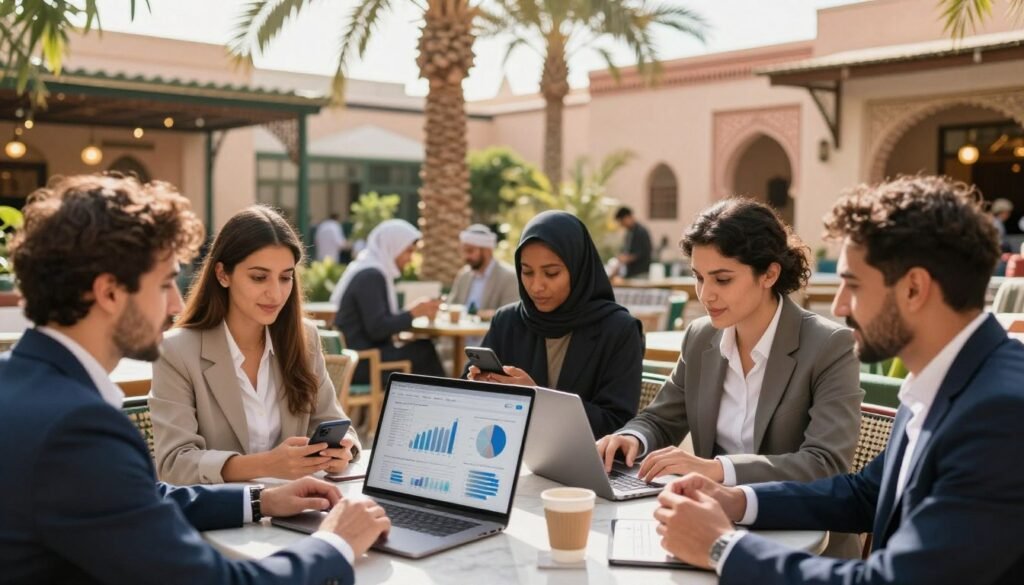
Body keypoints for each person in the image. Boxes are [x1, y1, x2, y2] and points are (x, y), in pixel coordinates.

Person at [0, 173, 390, 584]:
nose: (174, 302)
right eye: (166, 282)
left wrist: (262, 499)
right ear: (110, 292)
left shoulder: (19, 384)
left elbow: (146, 499)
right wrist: (336, 543)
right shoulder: (78, 427)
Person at [653, 175, 1024, 584]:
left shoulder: (1001, 412)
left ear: (914, 288)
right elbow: (865, 494)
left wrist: (722, 546)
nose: (840, 305)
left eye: (852, 284)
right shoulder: (946, 381)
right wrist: (736, 500)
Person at [150, 206, 361, 485]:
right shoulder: (176, 351)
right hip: (223, 517)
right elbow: (174, 464)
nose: (275, 293)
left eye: (285, 277)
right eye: (259, 277)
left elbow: (333, 422)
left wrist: (344, 449)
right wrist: (266, 465)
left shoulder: (304, 338)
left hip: (299, 507)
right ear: (223, 274)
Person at [467, 210, 643, 438]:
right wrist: (478, 387)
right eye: (526, 272)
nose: (536, 286)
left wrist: (538, 399)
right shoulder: (507, 321)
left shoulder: (618, 330)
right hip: (507, 456)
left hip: (583, 465)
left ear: (578, 268)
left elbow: (617, 424)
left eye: (551, 273)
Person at [332, 219, 444, 382]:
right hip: (364, 363)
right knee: (424, 351)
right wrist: (414, 313)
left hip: (363, 358)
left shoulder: (371, 271)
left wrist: (412, 312)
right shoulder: (371, 276)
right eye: (408, 251)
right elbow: (378, 329)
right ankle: (444, 404)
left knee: (421, 348)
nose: (410, 259)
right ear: (393, 247)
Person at [448, 224, 519, 319]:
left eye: (470, 251)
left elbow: (511, 315)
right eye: (464, 251)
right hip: (459, 333)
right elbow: (451, 306)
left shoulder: (509, 277)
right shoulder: (464, 275)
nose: (465, 257)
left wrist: (481, 315)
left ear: (487, 251)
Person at [615, 206, 653, 278]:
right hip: (630, 273)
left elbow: (645, 252)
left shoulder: (641, 232)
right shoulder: (629, 233)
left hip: (640, 273)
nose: (622, 225)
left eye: (622, 222)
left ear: (628, 217)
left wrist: (627, 258)